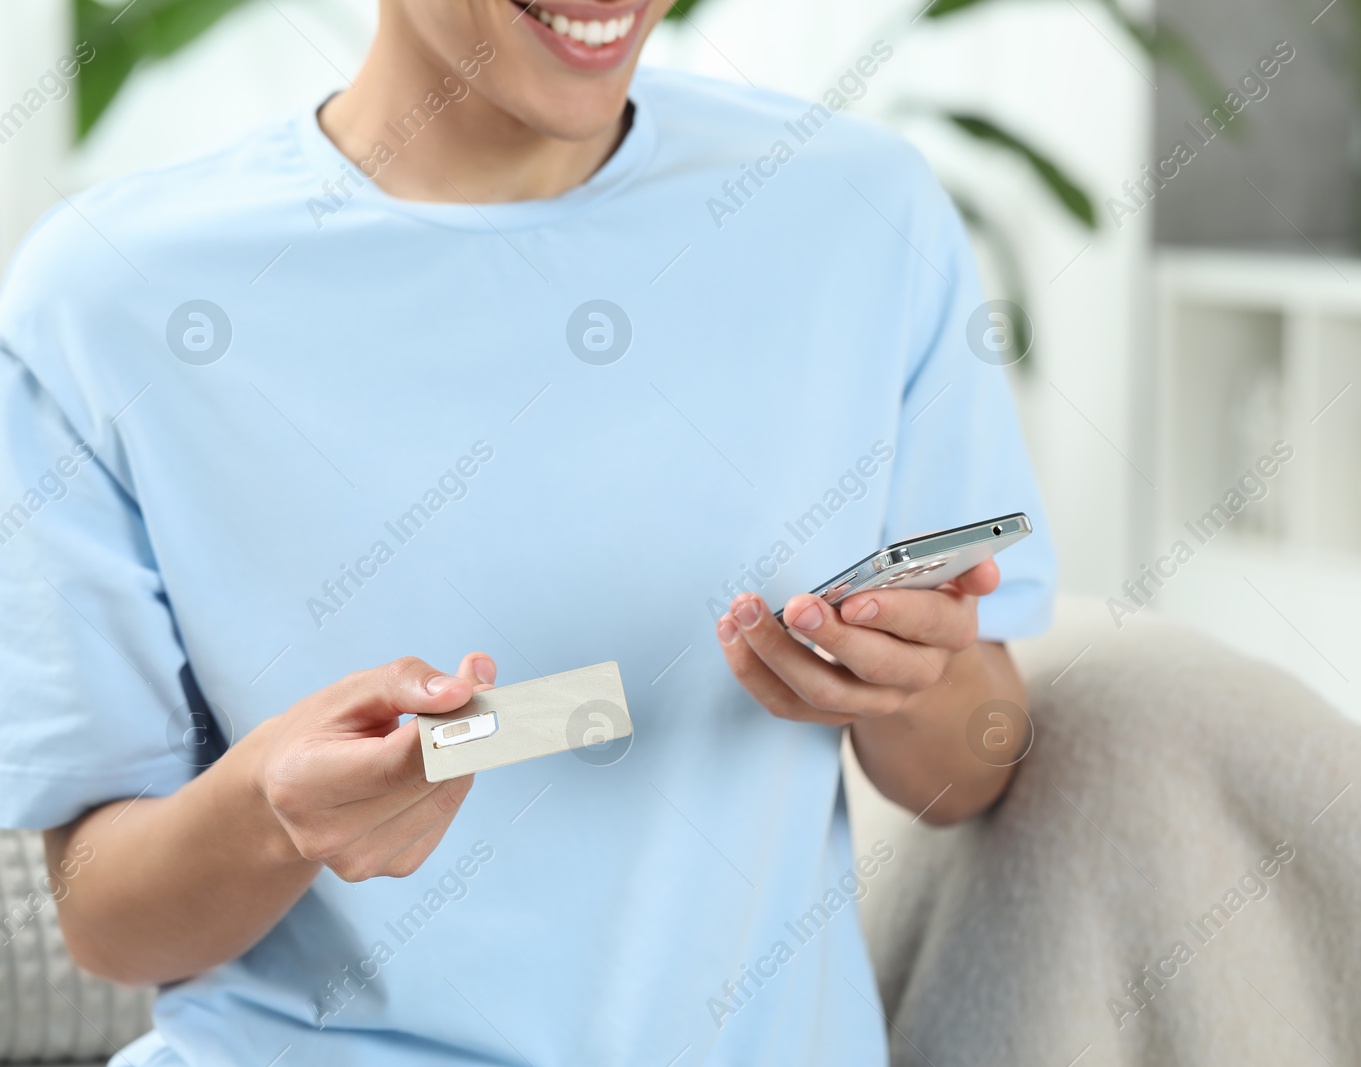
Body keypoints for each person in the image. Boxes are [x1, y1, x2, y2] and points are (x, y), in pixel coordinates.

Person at [0, 1, 1055, 1063]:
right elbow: (104, 918)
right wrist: (270, 812)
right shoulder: (109, 298)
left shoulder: (859, 214)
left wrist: (914, 681)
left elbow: (971, 769)